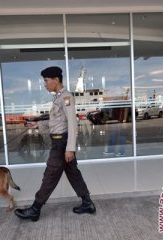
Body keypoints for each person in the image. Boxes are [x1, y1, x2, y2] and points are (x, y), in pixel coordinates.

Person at [14, 66, 96, 222]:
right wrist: (37, 125)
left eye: (46, 81)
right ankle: (87, 203)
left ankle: (35, 209)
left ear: (56, 79)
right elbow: (56, 122)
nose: (45, 84)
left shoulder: (66, 97)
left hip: (61, 144)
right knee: (73, 174)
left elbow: (72, 123)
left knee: (50, 175)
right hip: (60, 142)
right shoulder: (58, 98)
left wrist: (70, 148)